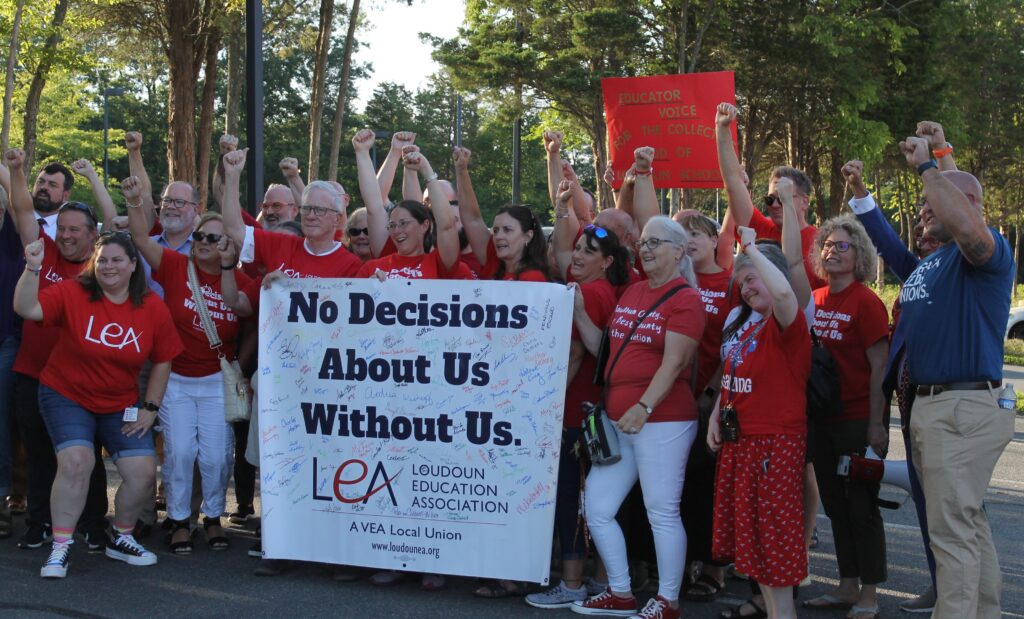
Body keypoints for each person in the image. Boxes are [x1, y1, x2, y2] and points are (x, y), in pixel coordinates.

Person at [13, 232, 183, 578]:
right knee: (78, 460)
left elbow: (164, 359)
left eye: (117, 259)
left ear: (134, 265)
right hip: (66, 393)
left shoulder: (152, 307)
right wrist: (32, 268)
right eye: (102, 259)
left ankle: (121, 537)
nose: (109, 266)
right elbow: (26, 308)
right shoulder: (75, 291)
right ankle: (60, 547)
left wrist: (150, 407)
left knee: (143, 471)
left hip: (120, 402)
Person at [895, 134, 1013, 619]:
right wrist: (942, 157)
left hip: (959, 407)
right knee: (967, 525)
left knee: (952, 532)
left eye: (931, 201)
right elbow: (962, 199)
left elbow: (968, 213)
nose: (924, 210)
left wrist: (930, 167)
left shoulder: (983, 252)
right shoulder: (941, 257)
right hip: (937, 407)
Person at [570, 216, 705, 619]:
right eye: (642, 243)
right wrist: (579, 312)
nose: (645, 249)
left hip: (662, 420)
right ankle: (620, 592)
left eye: (656, 243)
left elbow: (675, 362)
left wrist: (644, 406)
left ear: (679, 252)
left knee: (661, 510)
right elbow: (605, 352)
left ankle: (667, 601)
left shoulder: (685, 299)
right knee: (596, 505)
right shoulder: (632, 292)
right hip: (619, 421)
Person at [124, 175, 251, 555]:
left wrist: (241, 367)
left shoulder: (239, 278)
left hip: (216, 380)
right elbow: (142, 240)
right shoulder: (177, 267)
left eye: (215, 238)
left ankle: (212, 517)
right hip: (175, 379)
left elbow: (247, 315)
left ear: (227, 243)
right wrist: (134, 202)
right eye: (200, 237)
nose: (205, 244)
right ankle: (179, 519)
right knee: (179, 453)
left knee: (214, 455)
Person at [523, 181, 630, 609]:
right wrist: (563, 206)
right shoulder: (586, 285)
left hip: (572, 414)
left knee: (573, 498)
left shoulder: (593, 292)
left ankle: (571, 585)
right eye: (579, 249)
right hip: (573, 411)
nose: (579, 256)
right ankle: (587, 580)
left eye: (589, 252)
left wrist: (544, 404)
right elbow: (564, 251)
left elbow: (577, 351)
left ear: (607, 263)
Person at [841, 154, 940, 614]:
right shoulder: (920, 271)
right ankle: (942, 586)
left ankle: (961, 596)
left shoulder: (963, 266)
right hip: (914, 407)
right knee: (926, 503)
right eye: (919, 218)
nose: (921, 226)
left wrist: (938, 159)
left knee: (953, 510)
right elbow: (885, 242)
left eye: (928, 217)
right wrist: (861, 193)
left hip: (949, 405)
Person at [5, 149, 114, 552]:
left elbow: (117, 218)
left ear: (92, 235)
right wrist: (17, 171)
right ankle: (40, 521)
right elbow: (20, 207)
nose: (66, 236)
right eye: (61, 228)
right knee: (37, 452)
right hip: (33, 370)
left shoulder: (103, 269)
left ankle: (92, 523)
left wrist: (93, 180)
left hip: (79, 380)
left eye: (75, 230)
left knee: (85, 454)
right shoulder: (43, 250)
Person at [708, 229, 811, 619]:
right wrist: (717, 414)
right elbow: (734, 378)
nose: (746, 289)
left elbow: (784, 295)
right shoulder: (750, 324)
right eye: (741, 284)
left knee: (773, 542)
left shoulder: (787, 323)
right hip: (743, 442)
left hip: (774, 443)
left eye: (752, 279)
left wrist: (749, 247)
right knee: (755, 544)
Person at [801, 215, 889, 619]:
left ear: (860, 255)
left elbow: (879, 370)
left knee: (861, 509)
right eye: (827, 245)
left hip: (856, 421)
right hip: (822, 421)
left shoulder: (866, 302)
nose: (831, 251)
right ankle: (847, 585)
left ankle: (869, 593)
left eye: (842, 246)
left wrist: (876, 425)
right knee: (835, 507)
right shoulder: (815, 300)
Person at [715, 103, 825, 289]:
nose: (774, 205)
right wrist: (722, 129)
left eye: (783, 197)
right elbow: (733, 184)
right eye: (770, 199)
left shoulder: (822, 243)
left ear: (805, 201)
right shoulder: (759, 230)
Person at [455, 147, 550, 283]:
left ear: (528, 236)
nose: (498, 236)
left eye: (507, 230)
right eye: (495, 230)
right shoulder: (493, 260)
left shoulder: (533, 277)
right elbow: (471, 219)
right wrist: (461, 171)